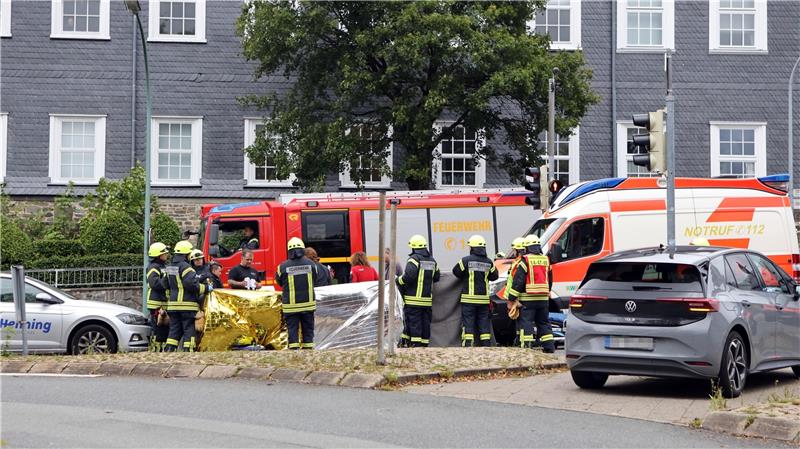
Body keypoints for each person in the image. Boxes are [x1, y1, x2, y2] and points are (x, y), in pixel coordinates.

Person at [506, 234, 555, 353]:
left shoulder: (525, 260)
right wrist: (547, 291)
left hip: (528, 299)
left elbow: (518, 281)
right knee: (544, 322)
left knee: (526, 322)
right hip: (543, 299)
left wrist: (511, 298)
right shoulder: (546, 260)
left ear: (527, 248)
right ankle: (549, 347)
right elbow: (550, 278)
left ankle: (526, 347)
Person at [453, 235, 499, 347]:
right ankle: (486, 345)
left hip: (468, 300)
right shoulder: (489, 262)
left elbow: (456, 271)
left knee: (468, 322)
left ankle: (468, 344)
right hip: (483, 301)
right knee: (484, 323)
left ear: (472, 248)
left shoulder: (465, 260)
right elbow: (495, 276)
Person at [164, 240, 210, 352]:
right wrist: (206, 288)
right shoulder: (187, 268)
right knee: (189, 329)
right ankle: (188, 352)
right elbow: (192, 285)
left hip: (173, 306)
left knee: (174, 330)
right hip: (187, 305)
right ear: (187, 254)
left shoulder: (170, 267)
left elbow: (165, 284)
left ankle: (169, 351)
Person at [397, 234, 440, 347]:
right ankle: (424, 345)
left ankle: (415, 345)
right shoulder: (432, 261)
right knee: (425, 323)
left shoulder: (413, 259)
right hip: (426, 301)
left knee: (414, 323)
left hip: (413, 300)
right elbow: (436, 277)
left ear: (413, 247)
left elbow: (409, 276)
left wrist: (399, 281)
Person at [276, 237, 318, 349]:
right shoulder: (311, 264)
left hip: (290, 306)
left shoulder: (282, 266)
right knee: (308, 329)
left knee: (292, 329)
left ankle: (294, 350)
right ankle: (308, 350)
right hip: (308, 304)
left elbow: (279, 282)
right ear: (302, 249)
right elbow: (315, 278)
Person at [145, 242, 170, 352]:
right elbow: (154, 283)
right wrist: (167, 281)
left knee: (164, 328)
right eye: (164, 253)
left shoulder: (163, 266)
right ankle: (155, 348)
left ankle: (162, 348)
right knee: (157, 327)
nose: (166, 255)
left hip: (163, 302)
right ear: (158, 255)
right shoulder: (153, 267)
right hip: (155, 303)